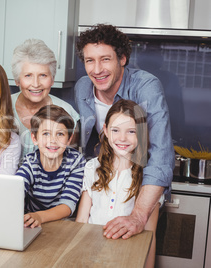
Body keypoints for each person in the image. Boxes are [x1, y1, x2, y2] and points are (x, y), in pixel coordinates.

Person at [74, 24, 174, 240]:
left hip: (137, 185)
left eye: (105, 59)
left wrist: (138, 216)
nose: (97, 69)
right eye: (90, 60)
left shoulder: (146, 86)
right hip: (101, 184)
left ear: (122, 59)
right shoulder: (82, 87)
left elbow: (161, 153)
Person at [76, 99, 159, 268]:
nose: (122, 138)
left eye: (131, 131)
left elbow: (150, 236)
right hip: (90, 255)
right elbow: (81, 222)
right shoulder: (92, 168)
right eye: (116, 130)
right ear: (105, 130)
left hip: (128, 258)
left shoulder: (150, 177)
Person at [16, 104, 85, 228]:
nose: (53, 140)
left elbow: (67, 206)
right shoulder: (30, 163)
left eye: (60, 134)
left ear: (69, 139)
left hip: (63, 223)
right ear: (34, 138)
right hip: (31, 222)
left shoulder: (76, 162)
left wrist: (40, 216)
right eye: (46, 134)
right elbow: (15, 191)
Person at [11, 39, 80, 159]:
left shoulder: (67, 112)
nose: (36, 84)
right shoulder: (3, 105)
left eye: (43, 75)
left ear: (52, 79)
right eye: (28, 75)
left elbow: (69, 163)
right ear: (17, 80)